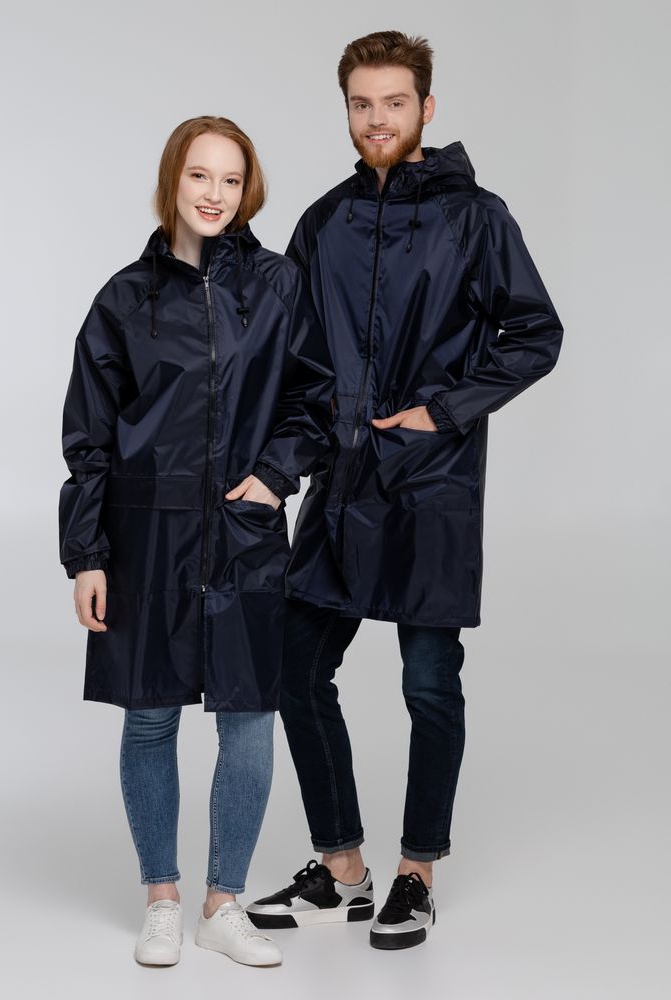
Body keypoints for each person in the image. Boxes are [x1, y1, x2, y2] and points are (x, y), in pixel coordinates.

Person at [245, 31, 564, 950]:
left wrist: (444, 411)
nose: (376, 119)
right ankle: (343, 867)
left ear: (427, 107)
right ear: (346, 110)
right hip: (342, 485)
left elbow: (534, 333)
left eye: (393, 102)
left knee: (428, 684)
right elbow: (297, 362)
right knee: (296, 669)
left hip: (431, 488)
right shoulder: (324, 222)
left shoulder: (477, 218)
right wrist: (278, 467)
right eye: (361, 104)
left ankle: (417, 873)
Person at [58, 116, 334, 968]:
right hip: (146, 538)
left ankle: (224, 902)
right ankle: (162, 899)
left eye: (231, 179)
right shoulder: (124, 300)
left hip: (244, 538)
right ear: (172, 181)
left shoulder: (279, 286)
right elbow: (89, 438)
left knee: (249, 718)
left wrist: (276, 474)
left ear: (248, 190)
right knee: (149, 717)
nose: (215, 194)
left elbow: (317, 397)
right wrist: (87, 554)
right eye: (200, 176)